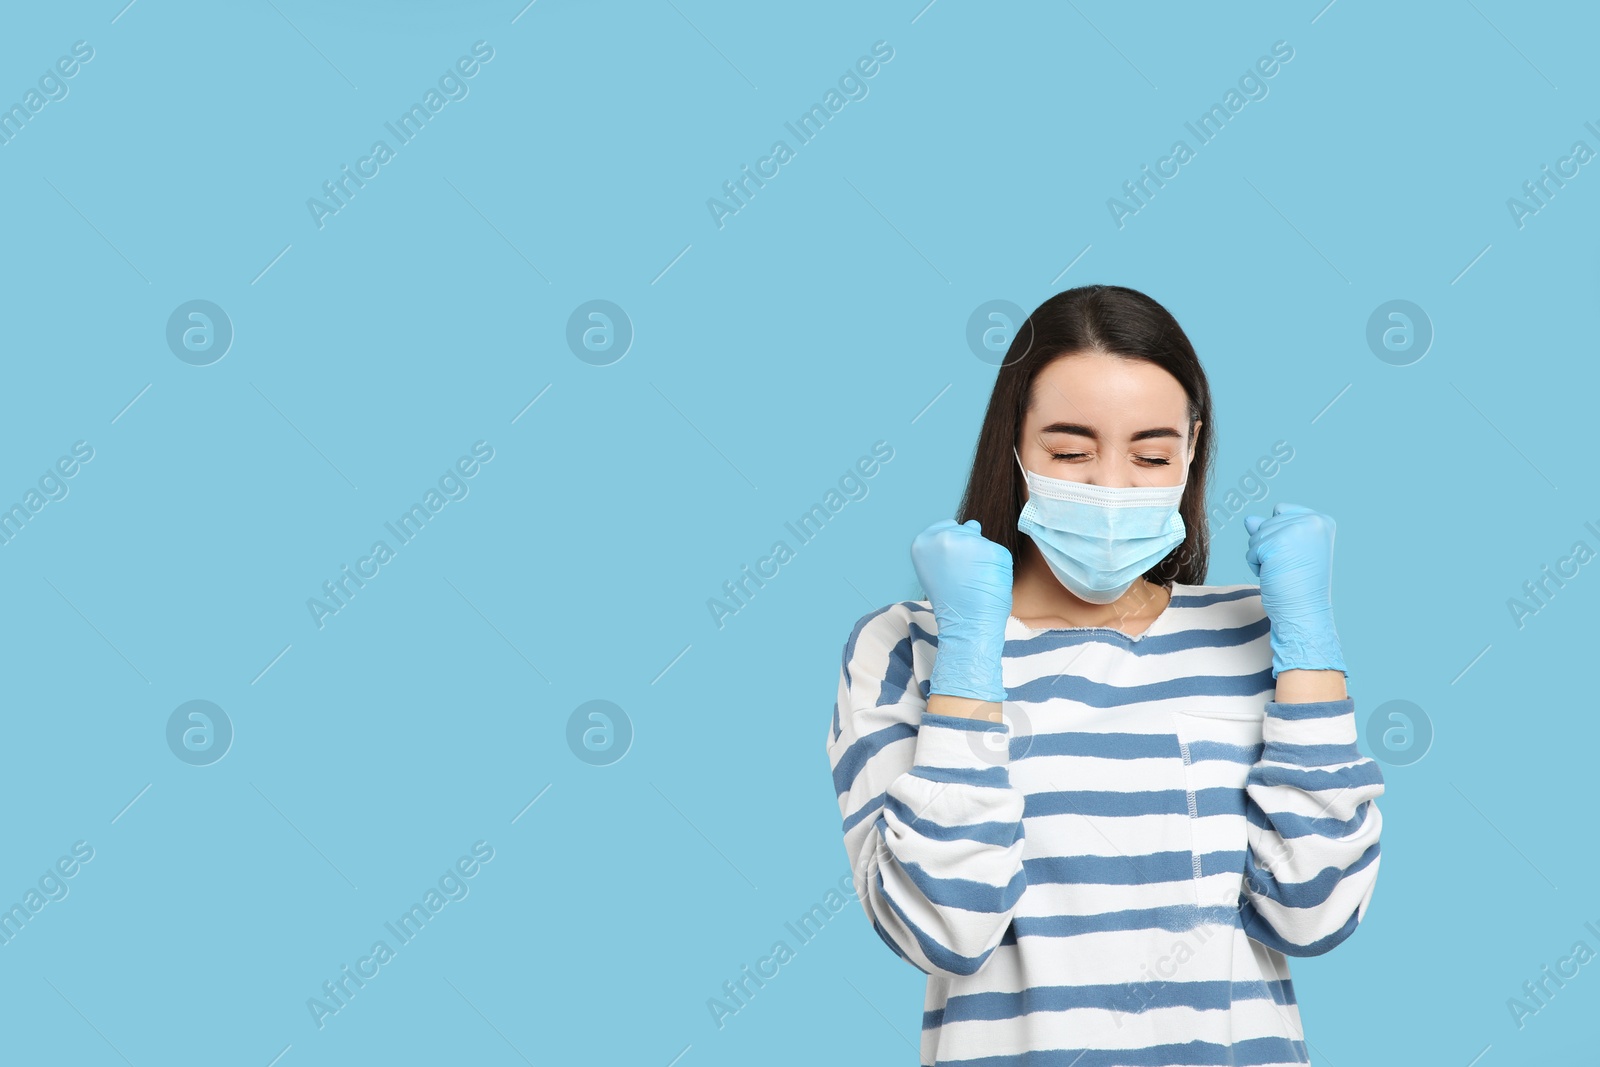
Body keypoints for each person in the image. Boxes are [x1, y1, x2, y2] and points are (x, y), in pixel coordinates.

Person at [825, 284, 1384, 1065]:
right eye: (1070, 450)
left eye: (1151, 454)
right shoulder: (903, 646)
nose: (1111, 487)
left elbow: (1316, 912)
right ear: (1013, 446)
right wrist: (969, 661)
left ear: (1192, 449)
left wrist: (1312, 647)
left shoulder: (1260, 633)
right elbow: (942, 927)